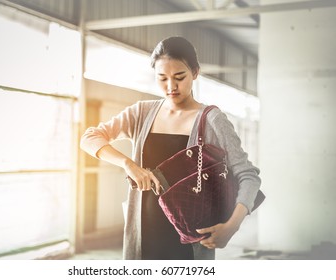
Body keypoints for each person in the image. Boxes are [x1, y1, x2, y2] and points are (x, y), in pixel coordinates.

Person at [80, 36, 261, 260]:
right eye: (162, 78)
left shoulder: (213, 120)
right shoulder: (141, 113)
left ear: (195, 72)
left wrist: (232, 226)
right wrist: (128, 164)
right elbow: (90, 137)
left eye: (179, 77)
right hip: (143, 240)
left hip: (190, 247)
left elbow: (248, 175)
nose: (171, 86)